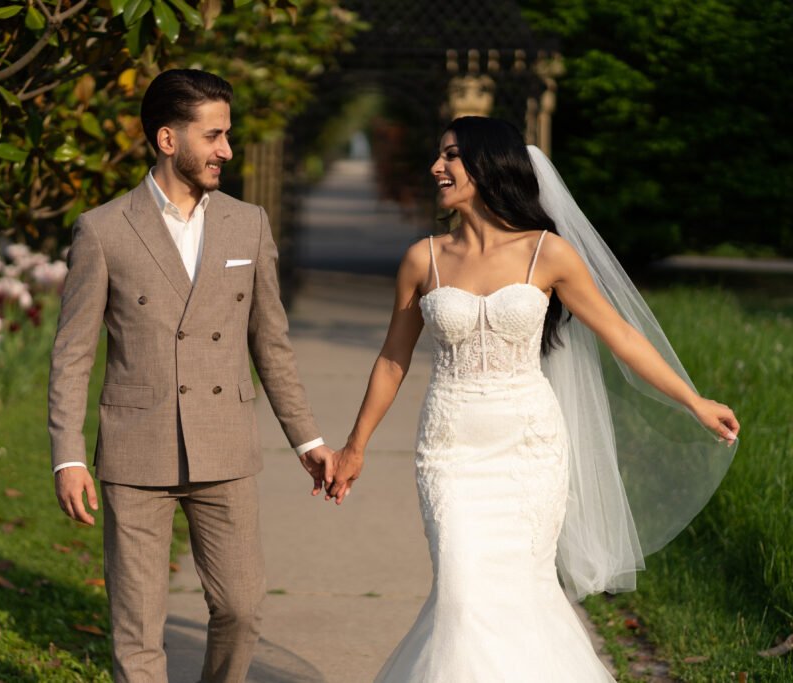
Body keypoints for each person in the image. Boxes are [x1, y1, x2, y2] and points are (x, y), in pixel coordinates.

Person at [324, 116, 740, 681]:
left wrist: (694, 400)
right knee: (461, 595)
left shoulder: (549, 253)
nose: (435, 168)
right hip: (450, 450)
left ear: (487, 165)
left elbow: (621, 336)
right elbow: (392, 361)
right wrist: (355, 447)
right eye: (437, 156)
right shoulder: (423, 259)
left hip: (529, 448)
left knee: (525, 592)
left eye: (449, 156)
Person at [47, 69, 335, 683]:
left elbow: (271, 343)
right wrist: (67, 456)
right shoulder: (103, 230)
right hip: (137, 449)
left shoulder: (246, 223)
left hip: (224, 445)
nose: (226, 150)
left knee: (241, 607)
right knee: (137, 628)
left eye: (227, 135)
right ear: (168, 139)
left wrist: (307, 440)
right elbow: (72, 353)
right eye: (214, 135)